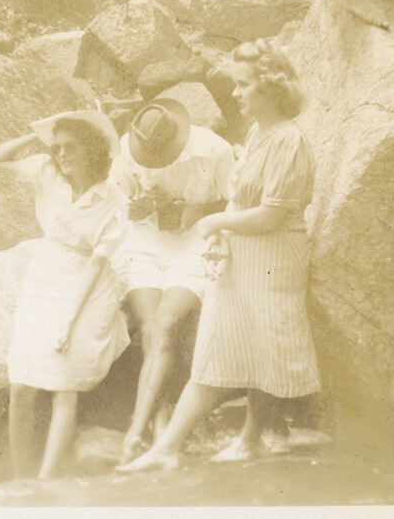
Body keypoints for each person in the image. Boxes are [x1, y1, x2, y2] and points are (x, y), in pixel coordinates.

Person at [118, 39, 321, 473]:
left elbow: (272, 214)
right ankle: (169, 447)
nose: (235, 92)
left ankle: (246, 439)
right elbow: (241, 199)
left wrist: (213, 223)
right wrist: (220, 233)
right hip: (244, 253)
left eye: (243, 84)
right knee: (218, 348)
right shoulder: (257, 133)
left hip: (274, 257)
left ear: (269, 88)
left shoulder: (289, 141)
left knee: (264, 348)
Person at [0, 110, 130, 480]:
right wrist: (39, 136)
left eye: (70, 147)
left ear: (92, 150)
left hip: (88, 286)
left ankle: (45, 482)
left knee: (64, 383)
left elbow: (95, 265)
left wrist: (66, 321)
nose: (61, 154)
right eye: (57, 147)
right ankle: (21, 478)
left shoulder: (113, 200)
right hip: (45, 275)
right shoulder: (46, 172)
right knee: (21, 383)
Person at [110, 98, 235, 464]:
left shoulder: (214, 150)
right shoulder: (128, 148)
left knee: (166, 323)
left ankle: (136, 432)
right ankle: (159, 422)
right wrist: (143, 205)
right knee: (150, 325)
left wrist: (198, 210)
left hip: (196, 241)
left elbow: (237, 203)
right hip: (145, 241)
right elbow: (118, 206)